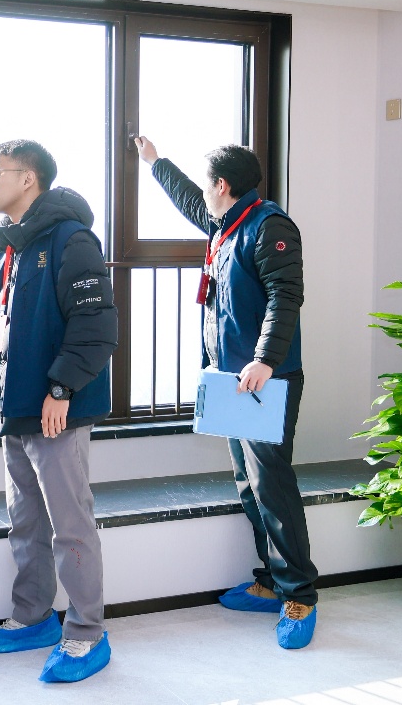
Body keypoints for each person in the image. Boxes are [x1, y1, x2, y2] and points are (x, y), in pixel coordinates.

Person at [134, 135, 319, 650]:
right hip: (231, 380)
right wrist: (156, 162)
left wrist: (265, 359)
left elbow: (286, 296)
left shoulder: (269, 226)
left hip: (266, 379)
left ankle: (300, 595)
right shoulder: (226, 223)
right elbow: (188, 200)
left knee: (272, 485)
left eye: (206, 185)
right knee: (248, 483)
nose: (202, 195)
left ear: (222, 184)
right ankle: (272, 580)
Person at [0, 140, 118, 682]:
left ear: (28, 178)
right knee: (26, 520)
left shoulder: (70, 239)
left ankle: (87, 633)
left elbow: (96, 324)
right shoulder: (12, 245)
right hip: (15, 406)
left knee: (70, 525)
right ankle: (33, 616)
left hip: (56, 409)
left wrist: (61, 388)